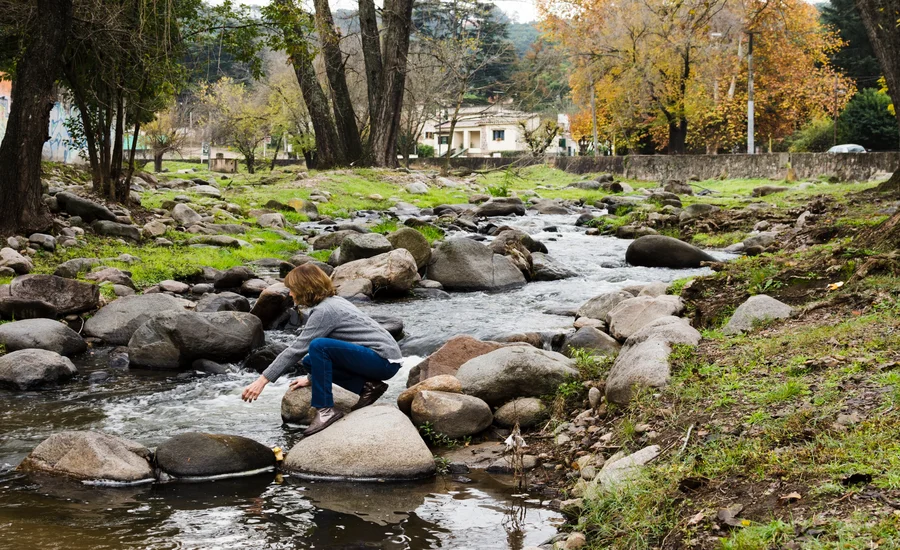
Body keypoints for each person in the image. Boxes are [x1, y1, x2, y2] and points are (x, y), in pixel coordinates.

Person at [241, 263, 403, 436]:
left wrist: (262, 381)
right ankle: (368, 387)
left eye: (292, 288)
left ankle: (325, 410)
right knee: (310, 361)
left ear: (305, 288)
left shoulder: (325, 310)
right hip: (382, 359)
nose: (290, 293)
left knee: (318, 346)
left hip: (383, 360)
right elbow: (334, 345)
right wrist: (312, 378)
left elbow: (296, 349)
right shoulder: (332, 302)